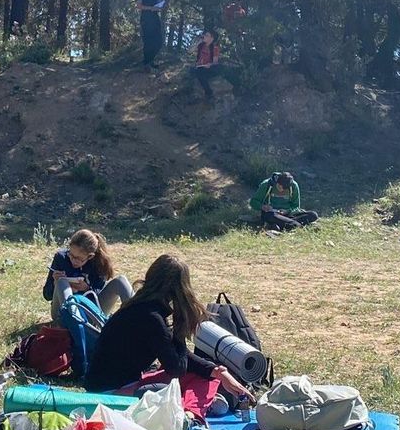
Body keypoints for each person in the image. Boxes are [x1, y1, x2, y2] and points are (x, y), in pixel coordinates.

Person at [84, 253, 251, 409]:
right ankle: (192, 413)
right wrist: (180, 327)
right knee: (177, 386)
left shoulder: (141, 307)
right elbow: (177, 368)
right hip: (110, 395)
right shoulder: (150, 318)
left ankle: (199, 403)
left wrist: (218, 371)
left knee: (209, 376)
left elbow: (177, 357)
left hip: (116, 385)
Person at [43, 229, 136, 319]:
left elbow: (99, 293)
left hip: (91, 311)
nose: (73, 261)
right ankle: (76, 322)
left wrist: (86, 288)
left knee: (121, 281)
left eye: (79, 258)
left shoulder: (98, 263)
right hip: (63, 313)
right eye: (71, 255)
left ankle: (137, 316)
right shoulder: (60, 258)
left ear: (90, 256)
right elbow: (47, 295)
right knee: (62, 282)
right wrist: (56, 283)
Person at [252, 171, 319, 231]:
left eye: (283, 189)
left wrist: (287, 211)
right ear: (277, 182)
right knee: (270, 216)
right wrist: (263, 207)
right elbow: (253, 202)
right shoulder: (267, 184)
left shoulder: (294, 186)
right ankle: (296, 225)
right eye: (279, 186)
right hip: (272, 214)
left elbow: (296, 206)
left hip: (287, 215)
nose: (280, 190)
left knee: (313, 215)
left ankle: (284, 225)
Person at [135, 0, 163, 69]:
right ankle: (147, 62)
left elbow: (158, 2)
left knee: (159, 41)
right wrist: (150, 8)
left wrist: (160, 5)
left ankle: (150, 60)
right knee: (148, 41)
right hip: (146, 19)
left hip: (155, 17)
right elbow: (139, 6)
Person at [191, 30, 220, 101]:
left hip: (209, 68)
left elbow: (215, 62)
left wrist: (209, 64)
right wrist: (197, 43)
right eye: (205, 35)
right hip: (199, 67)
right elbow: (191, 51)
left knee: (200, 74)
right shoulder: (201, 46)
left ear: (212, 38)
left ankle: (209, 93)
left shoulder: (214, 48)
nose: (204, 37)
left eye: (207, 35)